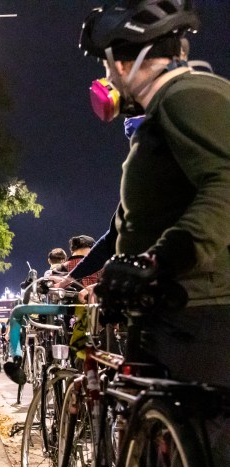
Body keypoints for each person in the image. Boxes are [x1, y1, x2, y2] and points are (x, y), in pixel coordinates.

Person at [79, 0, 230, 386]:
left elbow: (224, 181)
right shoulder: (162, 110)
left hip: (199, 313)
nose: (108, 76)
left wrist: (161, 259)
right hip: (170, 313)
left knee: (201, 439)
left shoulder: (187, 95)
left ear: (126, 63)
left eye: (108, 64)